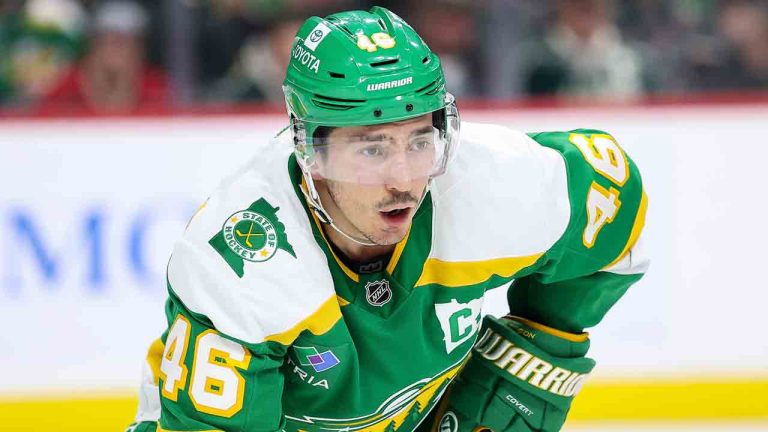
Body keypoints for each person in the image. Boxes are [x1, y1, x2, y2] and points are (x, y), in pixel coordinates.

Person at [126, 7, 648, 432]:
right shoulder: (242, 266)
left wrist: (538, 345)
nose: (403, 179)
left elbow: (614, 194)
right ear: (310, 149)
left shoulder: (491, 180)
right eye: (372, 150)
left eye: (420, 141)